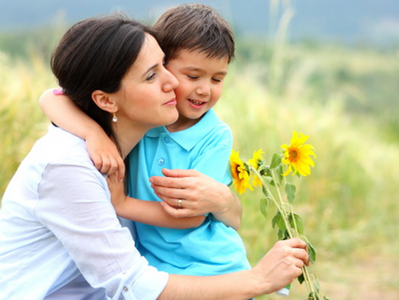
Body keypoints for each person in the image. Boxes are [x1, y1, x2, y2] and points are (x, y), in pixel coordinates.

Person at [0, 13, 309, 300]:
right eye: (151, 75)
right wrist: (257, 280)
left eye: (164, 65)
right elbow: (133, 285)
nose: (173, 82)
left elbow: (206, 215)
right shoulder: (70, 164)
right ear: (106, 100)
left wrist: (227, 203)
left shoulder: (138, 138)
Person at [41, 3, 250, 276]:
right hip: (156, 263)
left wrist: (123, 205)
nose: (204, 90)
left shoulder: (215, 136)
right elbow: (51, 97)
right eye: (193, 76)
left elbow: (192, 214)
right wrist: (93, 133)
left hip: (209, 264)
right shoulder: (148, 117)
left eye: (217, 79)